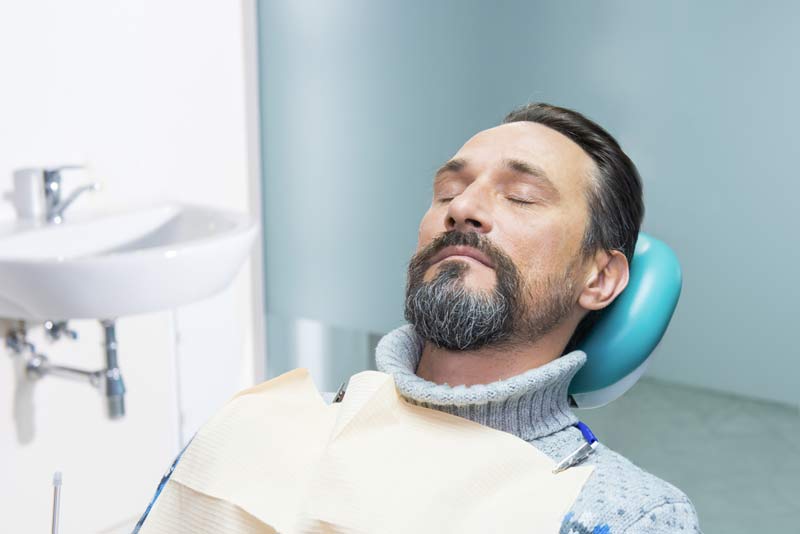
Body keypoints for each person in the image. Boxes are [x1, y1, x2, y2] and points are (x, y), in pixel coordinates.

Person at [373, 103, 702, 533]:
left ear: (600, 278)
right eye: (449, 192)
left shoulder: (630, 516)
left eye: (521, 196)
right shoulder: (302, 423)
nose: (463, 206)